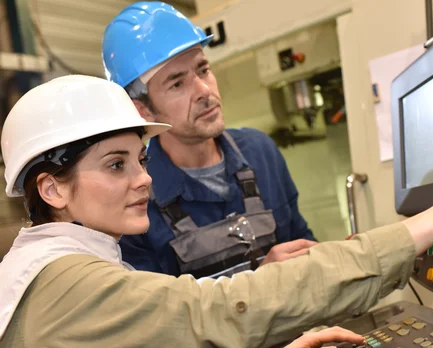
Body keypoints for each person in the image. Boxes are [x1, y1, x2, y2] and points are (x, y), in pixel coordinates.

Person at [0, 75, 433, 348]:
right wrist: (431, 224)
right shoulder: (59, 281)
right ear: (53, 188)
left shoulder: (74, 262)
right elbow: (218, 310)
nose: (143, 178)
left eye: (139, 160)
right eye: (116, 165)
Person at [102, 2, 317, 281]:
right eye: (177, 83)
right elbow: (159, 317)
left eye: (202, 70)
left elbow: (303, 245)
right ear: (142, 110)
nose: (204, 90)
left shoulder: (260, 152)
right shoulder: (132, 199)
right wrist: (258, 286)